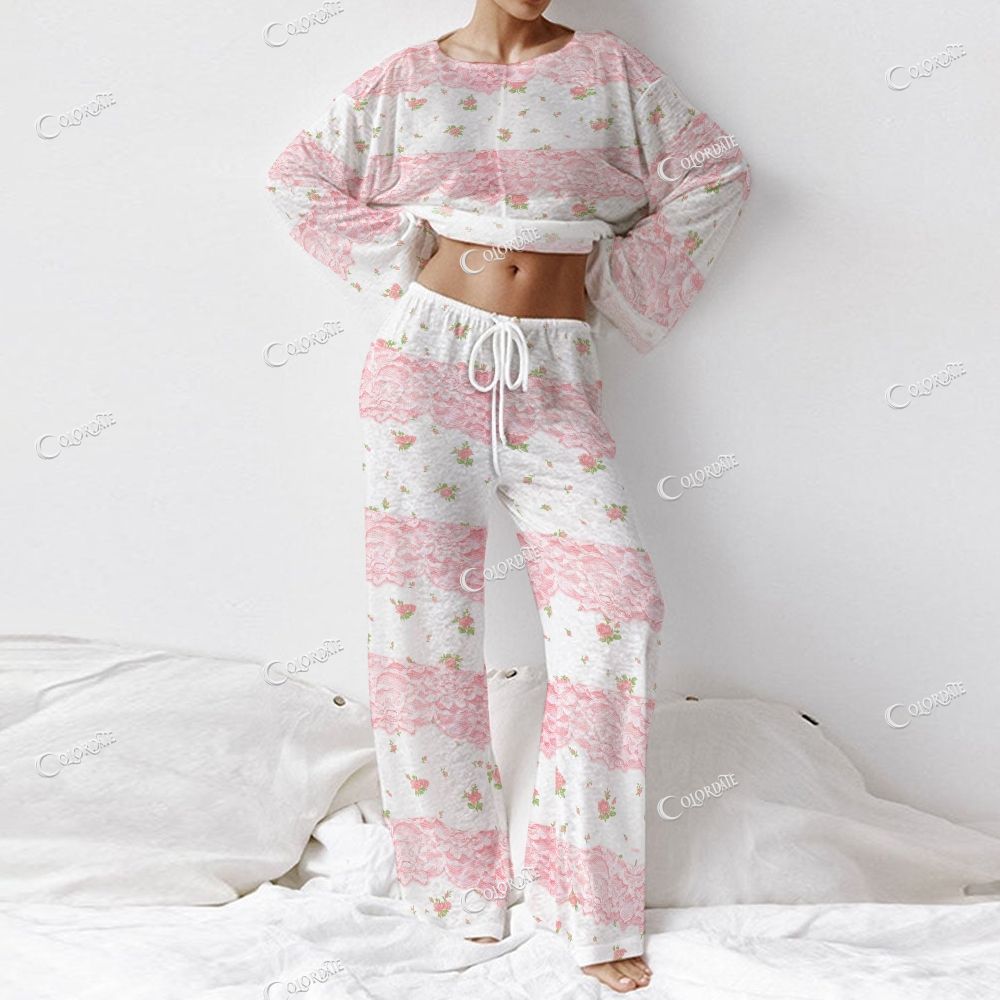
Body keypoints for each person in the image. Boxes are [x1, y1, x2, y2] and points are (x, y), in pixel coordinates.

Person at [265, 1, 751, 991]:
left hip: (555, 377)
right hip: (423, 368)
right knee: (423, 626)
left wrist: (614, 281)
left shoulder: (610, 72)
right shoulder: (405, 80)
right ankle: (454, 892)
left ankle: (587, 899)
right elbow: (295, 178)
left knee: (617, 610)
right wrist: (408, 254)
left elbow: (717, 175)